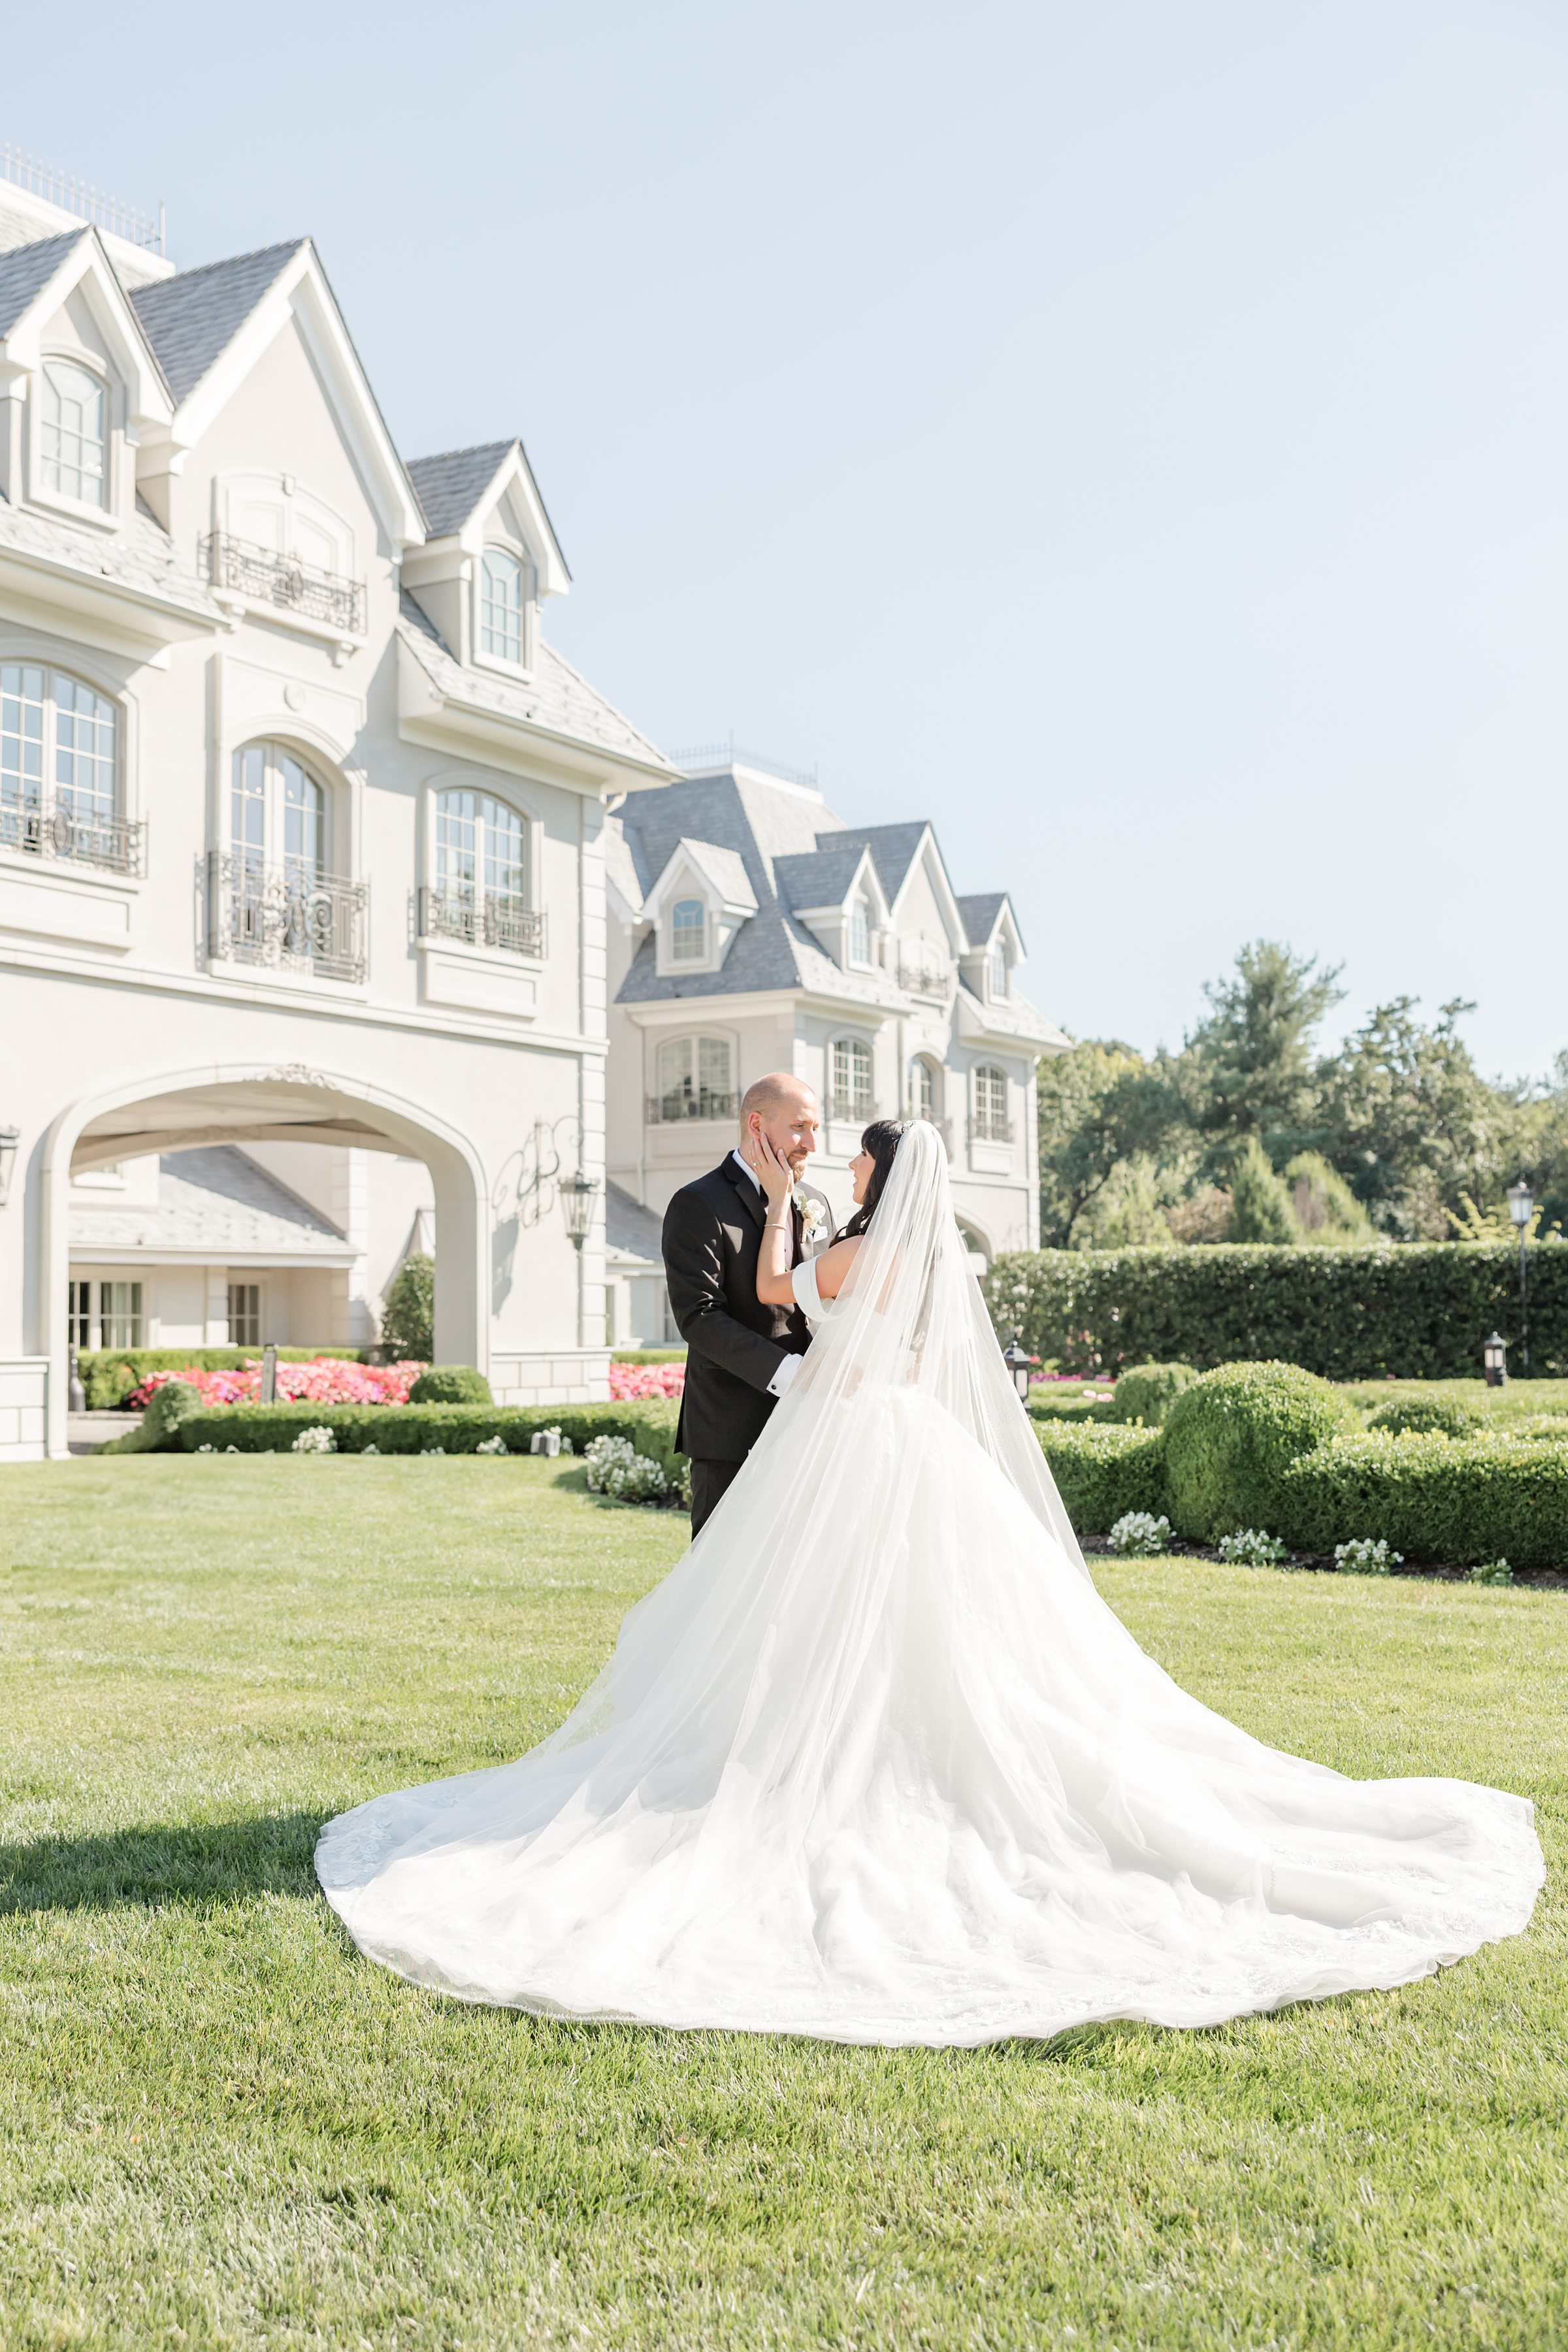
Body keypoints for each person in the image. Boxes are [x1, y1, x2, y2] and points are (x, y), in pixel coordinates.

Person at [316, 1120, 1543, 2046]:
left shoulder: (851, 1255)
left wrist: (786, 1206)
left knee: (824, 1619)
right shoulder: (923, 1258)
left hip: (850, 1446)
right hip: (906, 1440)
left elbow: (774, 1296)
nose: (844, 1172)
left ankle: (826, 1768)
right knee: (931, 1630)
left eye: (855, 1161)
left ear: (880, 1179)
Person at [659, 1072, 834, 1535]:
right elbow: (698, 1316)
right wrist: (794, 1375)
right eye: (800, 1127)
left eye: (815, 1128)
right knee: (718, 1582)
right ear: (757, 1125)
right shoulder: (698, 1203)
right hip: (731, 1428)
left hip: (811, 1424)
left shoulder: (815, 1202)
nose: (811, 1144)